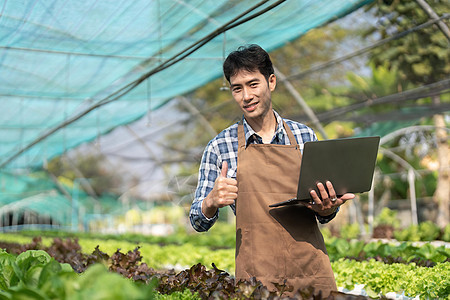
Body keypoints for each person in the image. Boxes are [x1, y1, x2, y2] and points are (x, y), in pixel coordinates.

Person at [189, 44, 355, 297]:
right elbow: (197, 221)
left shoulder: (304, 136)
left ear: (271, 82)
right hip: (257, 276)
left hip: (309, 269)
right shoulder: (220, 147)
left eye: (253, 84)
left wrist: (328, 207)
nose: (246, 96)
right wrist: (211, 201)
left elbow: (325, 214)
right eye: (237, 88)